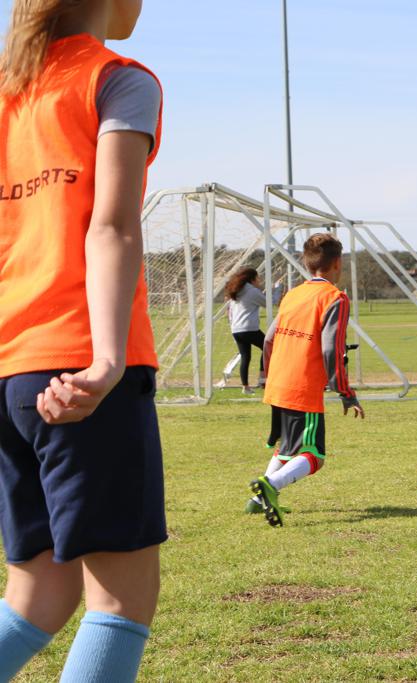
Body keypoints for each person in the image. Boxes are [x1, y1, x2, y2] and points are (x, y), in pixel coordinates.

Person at [0, 1, 166, 680]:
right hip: (77, 370)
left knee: (40, 592)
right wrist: (105, 358)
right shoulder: (117, 79)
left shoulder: (11, 94)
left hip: (11, 373)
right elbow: (111, 226)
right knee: (121, 596)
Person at [246, 233, 363, 527]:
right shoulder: (335, 297)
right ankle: (271, 487)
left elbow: (270, 338)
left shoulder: (293, 294)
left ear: (307, 263)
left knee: (287, 446)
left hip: (279, 381)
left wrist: (268, 374)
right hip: (303, 386)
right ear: (338, 263)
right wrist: (345, 391)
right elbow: (331, 348)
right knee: (314, 454)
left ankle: (257, 501)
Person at [225, 268, 281, 394]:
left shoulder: (237, 291)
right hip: (249, 328)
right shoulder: (252, 291)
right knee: (268, 346)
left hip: (236, 330)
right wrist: (278, 288)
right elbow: (270, 303)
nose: (259, 280)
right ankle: (262, 378)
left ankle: (245, 387)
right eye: (258, 278)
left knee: (246, 356)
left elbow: (231, 313)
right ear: (252, 279)